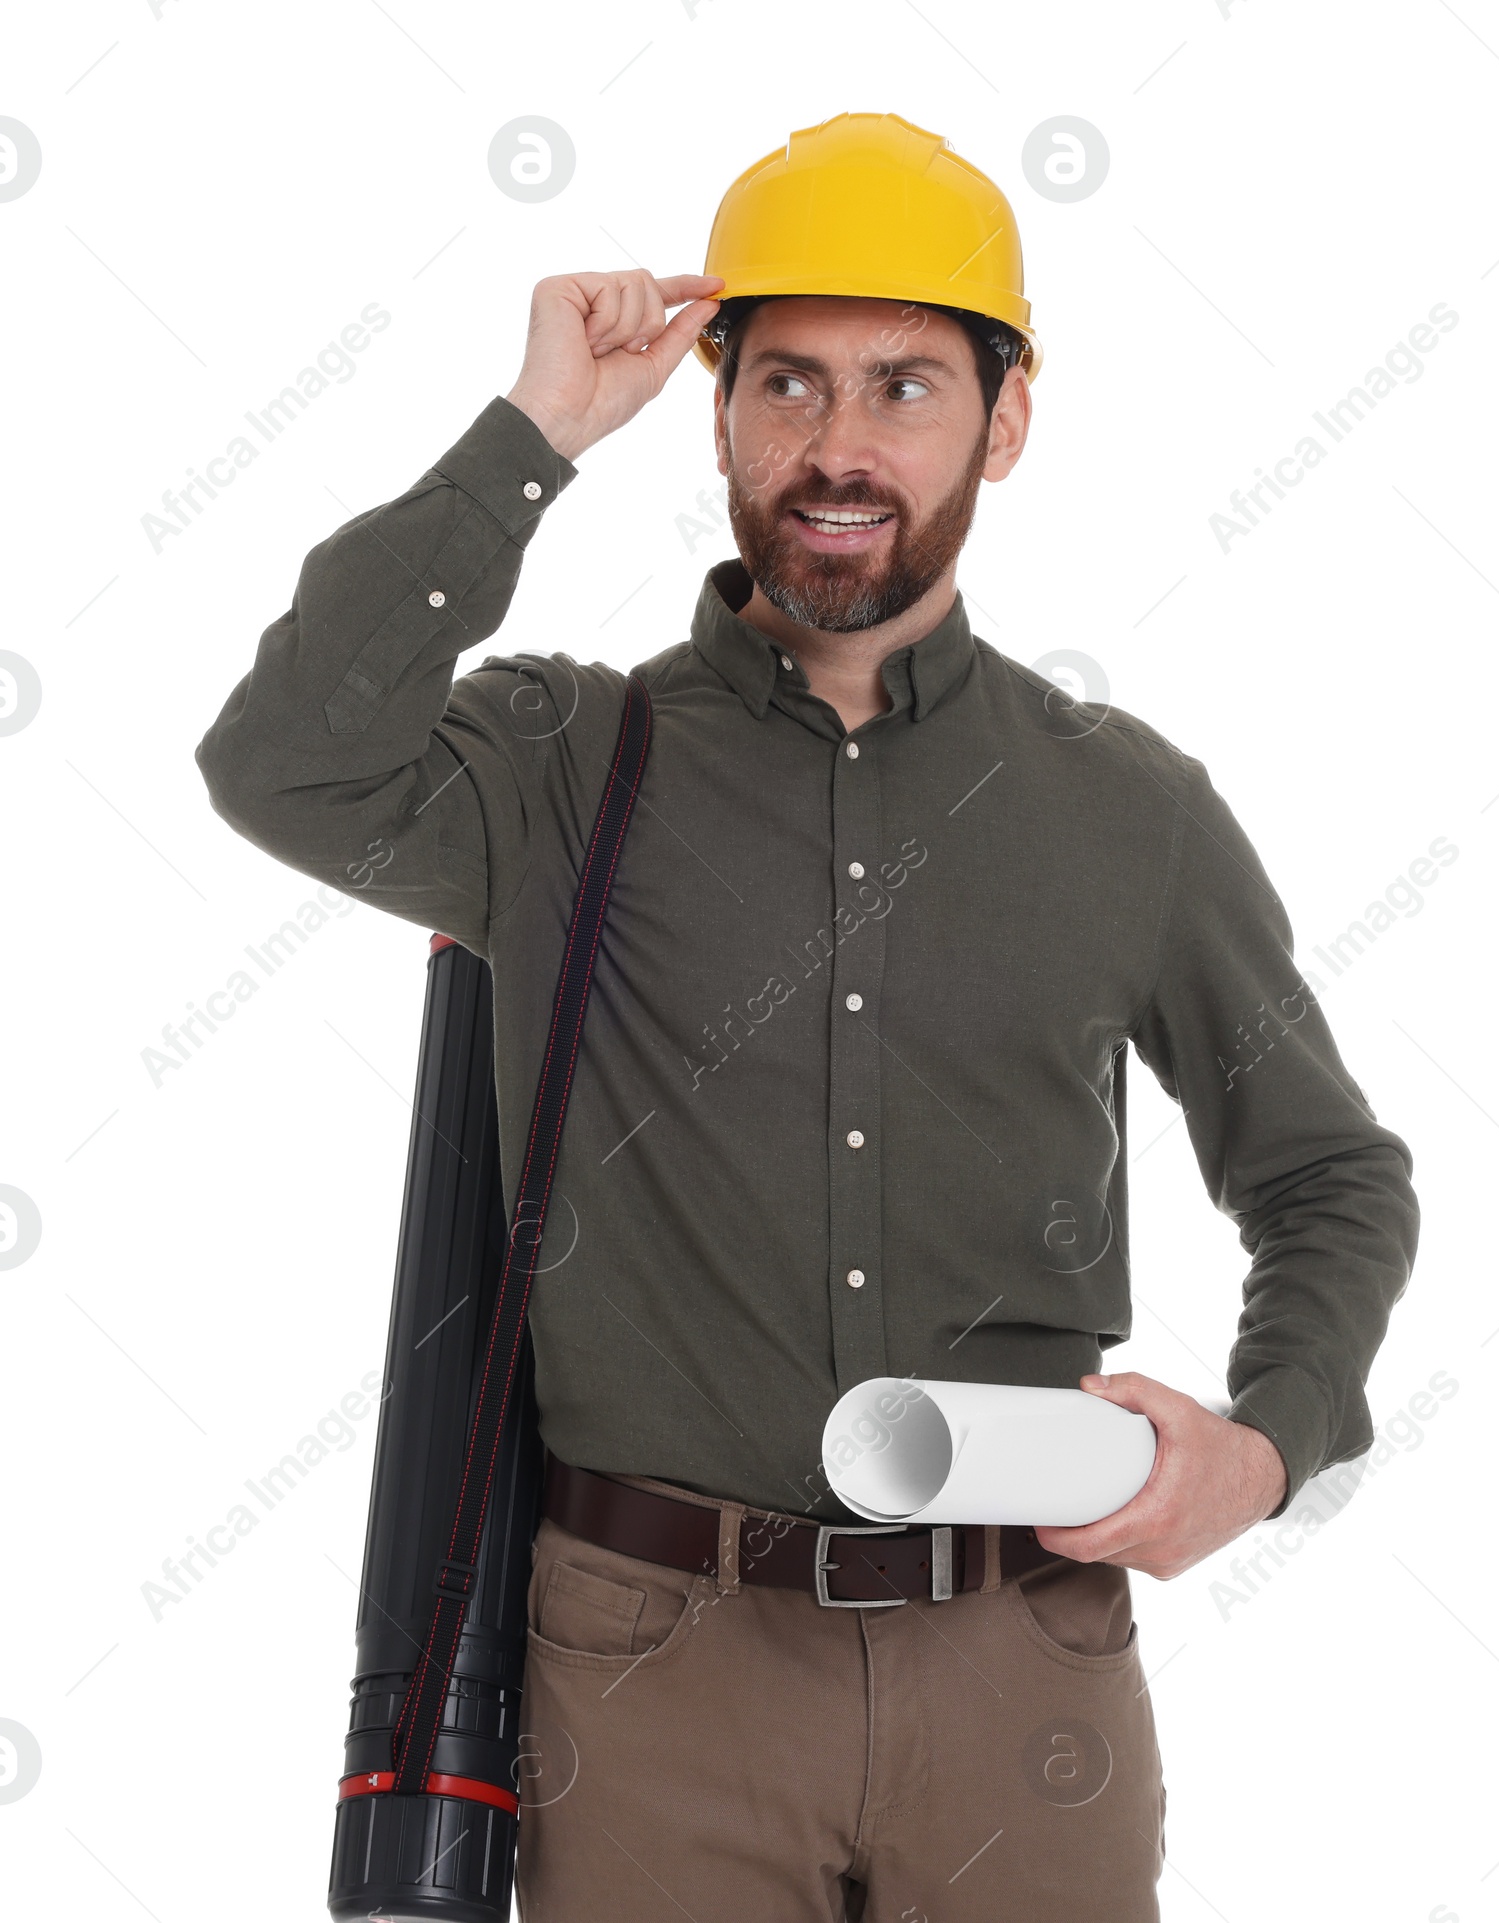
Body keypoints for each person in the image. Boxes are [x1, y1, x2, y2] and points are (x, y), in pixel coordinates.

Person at [196, 112, 1420, 1922]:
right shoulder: (558, 765)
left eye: (906, 386)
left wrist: (1267, 1439)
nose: (838, 448)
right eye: (787, 384)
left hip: (1027, 1677)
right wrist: (527, 440)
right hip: (645, 1673)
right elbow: (283, 763)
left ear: (1006, 420)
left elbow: (1328, 1175)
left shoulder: (1129, 812)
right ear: (715, 410)